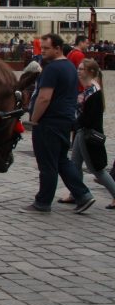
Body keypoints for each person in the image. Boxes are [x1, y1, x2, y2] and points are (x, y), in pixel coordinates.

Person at [23, 33, 95, 214]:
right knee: (62, 160)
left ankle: (43, 202)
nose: (44, 52)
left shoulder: (52, 69)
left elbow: (44, 97)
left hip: (49, 121)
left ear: (58, 48)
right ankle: (83, 195)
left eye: (47, 49)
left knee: (47, 164)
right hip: (65, 120)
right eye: (42, 48)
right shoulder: (70, 67)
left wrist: (34, 120)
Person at [58, 58, 115, 210]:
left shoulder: (93, 91)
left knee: (97, 170)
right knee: (75, 164)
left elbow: (88, 118)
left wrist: (73, 126)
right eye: (79, 68)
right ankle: (76, 193)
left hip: (87, 134)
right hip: (82, 131)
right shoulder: (89, 89)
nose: (79, 71)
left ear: (90, 72)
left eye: (82, 69)